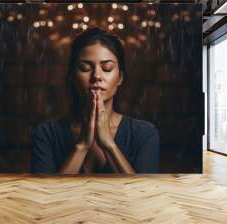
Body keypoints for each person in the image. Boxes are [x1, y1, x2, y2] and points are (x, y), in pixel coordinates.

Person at [31, 27, 160, 174]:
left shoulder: (144, 134)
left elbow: (142, 195)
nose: (97, 76)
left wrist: (109, 145)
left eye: (107, 68)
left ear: (120, 78)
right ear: (73, 77)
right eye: (85, 68)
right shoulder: (47, 134)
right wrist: (82, 146)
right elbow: (47, 196)